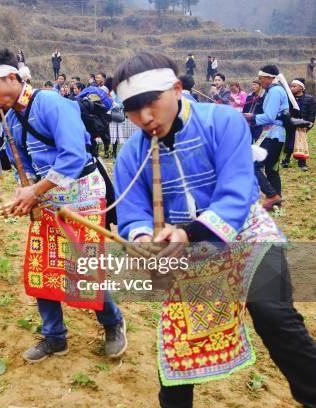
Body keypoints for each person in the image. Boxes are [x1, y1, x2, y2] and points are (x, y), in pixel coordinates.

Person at [111, 51, 316, 408]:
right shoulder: (131, 154)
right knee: (176, 356)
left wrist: (187, 233)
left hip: (247, 237)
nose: (143, 117)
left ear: (176, 89)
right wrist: (143, 239)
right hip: (186, 255)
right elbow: (133, 215)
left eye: (151, 103)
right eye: (132, 108)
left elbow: (236, 195)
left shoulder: (222, 121)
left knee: (274, 315)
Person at [0, 46, 127, 362]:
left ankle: (112, 322)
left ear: (11, 77)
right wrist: (26, 195)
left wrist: (36, 190)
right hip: (47, 199)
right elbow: (26, 166)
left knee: (83, 268)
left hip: (82, 196)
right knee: (42, 267)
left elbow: (72, 156)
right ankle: (54, 336)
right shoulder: (12, 119)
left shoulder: (51, 103)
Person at [244, 65, 290, 210]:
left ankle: (271, 195)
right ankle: (276, 203)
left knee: (252, 166)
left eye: (261, 78)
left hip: (271, 134)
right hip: (278, 135)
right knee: (271, 169)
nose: (259, 81)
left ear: (269, 77)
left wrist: (252, 117)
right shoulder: (275, 90)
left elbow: (269, 117)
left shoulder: (275, 92)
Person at [282, 78, 315, 171]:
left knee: (301, 143)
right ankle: (286, 160)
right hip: (291, 124)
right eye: (291, 86)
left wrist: (309, 124)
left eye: (294, 86)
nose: (291, 88)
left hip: (302, 125)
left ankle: (302, 163)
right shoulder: (289, 98)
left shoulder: (309, 99)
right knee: (289, 142)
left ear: (301, 88)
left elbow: (312, 113)